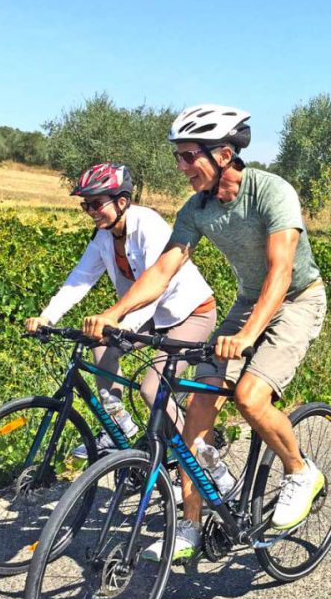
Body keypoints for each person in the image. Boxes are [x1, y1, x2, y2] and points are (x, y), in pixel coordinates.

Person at [82, 105, 327, 562]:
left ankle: (300, 471)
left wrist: (249, 334)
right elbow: (164, 268)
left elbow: (281, 271)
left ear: (225, 154)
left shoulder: (271, 192)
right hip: (249, 302)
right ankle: (190, 526)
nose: (181, 167)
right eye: (178, 156)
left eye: (188, 155)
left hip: (296, 300)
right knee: (195, 413)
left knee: (251, 397)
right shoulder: (196, 209)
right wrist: (115, 313)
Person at [25, 163, 218, 456]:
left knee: (152, 390)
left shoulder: (148, 225)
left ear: (122, 201)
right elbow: (80, 278)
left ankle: (197, 463)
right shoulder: (103, 235)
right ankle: (118, 426)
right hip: (151, 314)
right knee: (100, 349)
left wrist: (121, 323)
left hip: (190, 312)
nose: (91, 211)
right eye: (86, 205)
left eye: (96, 203)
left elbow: (156, 285)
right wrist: (47, 316)